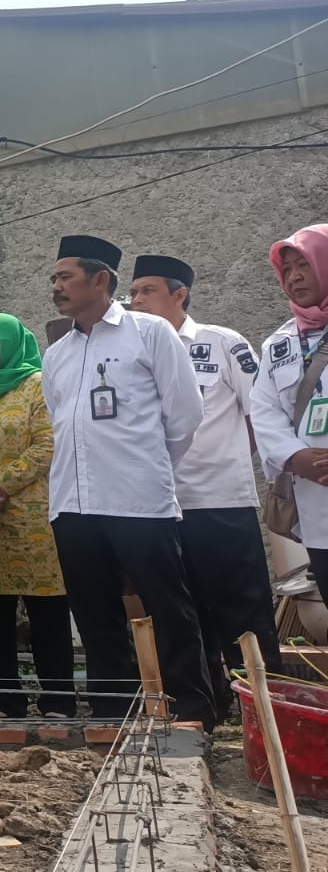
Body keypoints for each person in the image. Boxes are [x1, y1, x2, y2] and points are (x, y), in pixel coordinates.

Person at [43, 235, 216, 731]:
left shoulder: (149, 333)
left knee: (169, 606)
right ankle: (112, 712)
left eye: (65, 277)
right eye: (54, 279)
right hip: (74, 504)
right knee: (95, 615)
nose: (56, 287)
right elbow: (63, 421)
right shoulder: (56, 353)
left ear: (101, 280)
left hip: (139, 500)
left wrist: (148, 467)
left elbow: (185, 414)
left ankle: (192, 710)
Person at [129, 254, 281, 714]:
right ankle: (202, 708)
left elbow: (262, 414)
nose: (136, 301)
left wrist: (228, 460)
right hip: (158, 507)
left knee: (243, 609)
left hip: (220, 500)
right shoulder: (130, 350)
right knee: (180, 613)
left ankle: (260, 708)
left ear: (180, 295)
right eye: (132, 293)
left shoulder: (220, 343)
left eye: (147, 291)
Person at [0, 313, 74, 719]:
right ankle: (5, 700)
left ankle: (58, 700)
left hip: (32, 519)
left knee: (47, 615)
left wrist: (3, 485)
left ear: (10, 344)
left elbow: (48, 442)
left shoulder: (38, 386)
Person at [253, 225, 328, 609]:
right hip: (316, 507)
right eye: (288, 270)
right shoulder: (279, 343)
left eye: (305, 265)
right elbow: (263, 409)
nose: (295, 276)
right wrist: (294, 457)